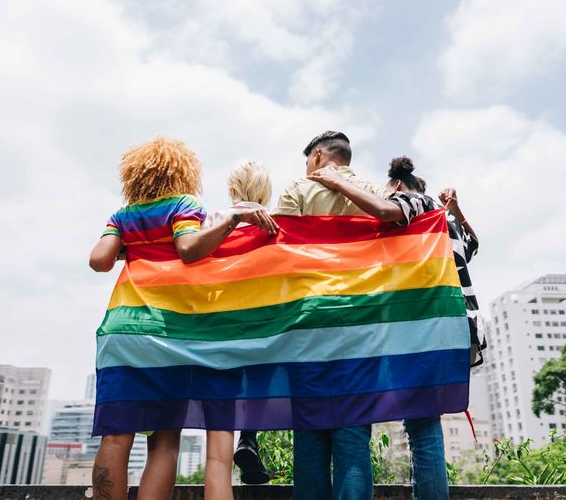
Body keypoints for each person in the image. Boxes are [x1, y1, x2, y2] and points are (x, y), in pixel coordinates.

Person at [88, 136, 278, 500]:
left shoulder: (122, 216)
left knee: (116, 434)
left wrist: (130, 242)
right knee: (164, 440)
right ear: (184, 172)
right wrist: (235, 217)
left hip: (120, 332)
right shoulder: (184, 205)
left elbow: (99, 261)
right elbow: (189, 249)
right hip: (167, 332)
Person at [307, 155, 483, 500]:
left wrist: (338, 183)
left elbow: (385, 212)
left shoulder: (418, 203)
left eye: (390, 192)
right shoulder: (448, 220)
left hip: (426, 329)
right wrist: (458, 209)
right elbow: (475, 243)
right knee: (425, 423)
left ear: (399, 186)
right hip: (459, 330)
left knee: (413, 425)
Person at [271, 131, 388, 500]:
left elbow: (276, 253)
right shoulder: (376, 195)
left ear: (318, 155)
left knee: (308, 433)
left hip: (308, 323)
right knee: (352, 434)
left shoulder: (297, 190)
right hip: (361, 322)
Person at [204, 160, 274, 485]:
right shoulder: (274, 224)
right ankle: (249, 437)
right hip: (262, 317)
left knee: (227, 387)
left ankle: (228, 448)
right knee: (260, 379)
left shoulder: (215, 219)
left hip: (222, 317)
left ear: (232, 189)